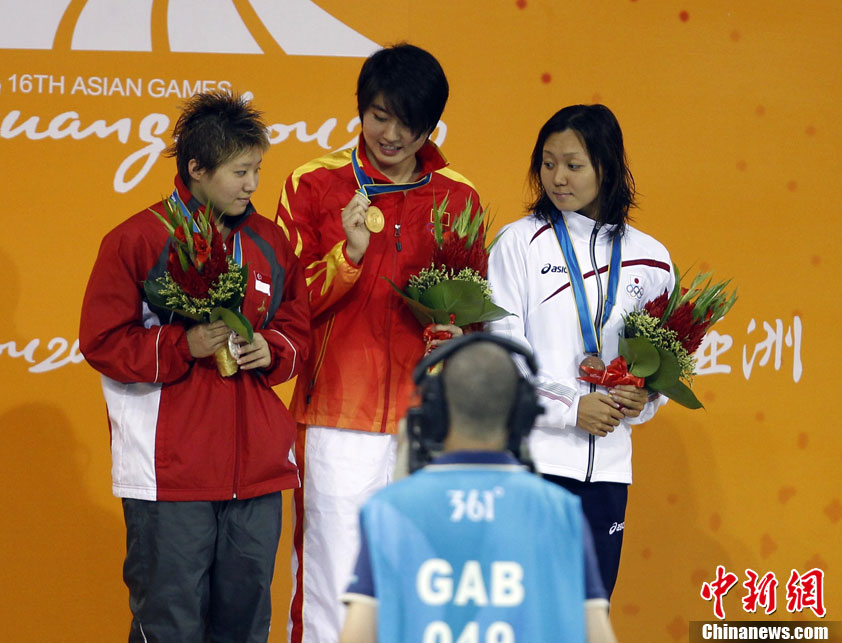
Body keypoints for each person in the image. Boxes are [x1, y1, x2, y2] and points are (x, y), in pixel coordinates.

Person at [78, 91, 310, 642]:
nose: (252, 184)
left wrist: (272, 349)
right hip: (170, 472)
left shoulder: (270, 242)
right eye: (240, 172)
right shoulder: (138, 239)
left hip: (256, 471)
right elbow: (103, 341)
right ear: (196, 168)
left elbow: (297, 326)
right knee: (171, 623)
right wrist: (184, 344)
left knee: (246, 625)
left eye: (257, 169)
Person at [274, 43, 482, 642]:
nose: (390, 135)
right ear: (361, 109)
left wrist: (458, 334)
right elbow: (286, 305)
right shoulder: (314, 184)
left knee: (423, 580)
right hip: (337, 413)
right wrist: (347, 256)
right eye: (379, 116)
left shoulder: (459, 197)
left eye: (408, 123)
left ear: (431, 125)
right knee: (332, 578)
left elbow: (474, 308)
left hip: (427, 419)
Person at [487, 104, 676, 598]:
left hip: (608, 472)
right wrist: (572, 408)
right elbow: (503, 357)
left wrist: (643, 399)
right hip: (531, 464)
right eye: (548, 163)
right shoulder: (519, 244)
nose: (557, 178)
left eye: (573, 165)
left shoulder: (652, 261)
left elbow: (661, 367)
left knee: (587, 614)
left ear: (605, 168)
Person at [339, 334, 617, 643]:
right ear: (522, 415)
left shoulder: (390, 510)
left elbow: (356, 636)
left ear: (435, 412)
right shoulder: (559, 511)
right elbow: (597, 636)